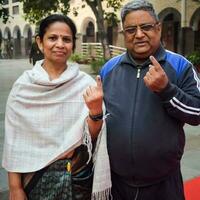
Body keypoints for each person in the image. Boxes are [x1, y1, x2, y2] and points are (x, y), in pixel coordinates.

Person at [2, 14, 111, 200]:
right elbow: (14, 142)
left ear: (72, 45)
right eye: (53, 38)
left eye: (66, 39)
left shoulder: (85, 84)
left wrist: (95, 112)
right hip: (33, 179)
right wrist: (14, 188)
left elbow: (91, 139)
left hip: (76, 178)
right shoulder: (23, 87)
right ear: (40, 42)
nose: (60, 44)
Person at [100, 1, 200, 200]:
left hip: (164, 184)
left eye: (145, 27)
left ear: (158, 27)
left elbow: (197, 113)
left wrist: (166, 90)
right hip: (117, 183)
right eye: (130, 29)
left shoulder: (180, 65)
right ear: (124, 33)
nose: (138, 34)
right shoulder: (109, 69)